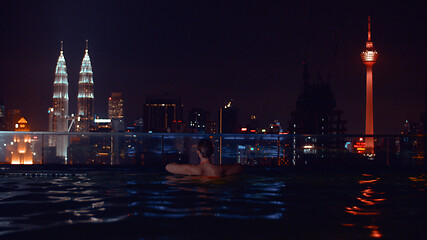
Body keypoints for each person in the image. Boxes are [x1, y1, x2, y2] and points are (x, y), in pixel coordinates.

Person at [165, 139, 243, 177]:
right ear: (212, 152)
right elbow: (240, 168)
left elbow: (168, 167)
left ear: (198, 152)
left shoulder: (191, 169)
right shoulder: (221, 169)